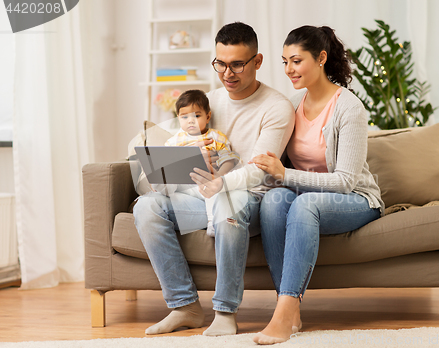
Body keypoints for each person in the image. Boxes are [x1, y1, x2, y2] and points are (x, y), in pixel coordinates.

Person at [133, 22, 295, 336]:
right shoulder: (208, 101)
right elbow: (175, 143)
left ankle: (225, 311)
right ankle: (184, 306)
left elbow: (260, 169)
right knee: (146, 206)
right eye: (220, 64)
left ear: (257, 61)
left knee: (226, 200)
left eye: (237, 64)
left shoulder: (277, 107)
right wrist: (166, 170)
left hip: (249, 198)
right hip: (203, 195)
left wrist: (221, 182)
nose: (227, 73)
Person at [249, 25, 385, 345]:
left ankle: (284, 312)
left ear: (321, 58)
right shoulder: (292, 104)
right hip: (305, 195)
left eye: (296, 61)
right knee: (273, 202)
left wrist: (285, 175)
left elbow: (345, 181)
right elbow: (277, 163)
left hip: (355, 198)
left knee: (303, 202)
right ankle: (290, 308)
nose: (288, 70)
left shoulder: (349, 108)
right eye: (284, 62)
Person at [152, 89, 240, 237]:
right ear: (178, 118)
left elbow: (229, 158)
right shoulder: (174, 141)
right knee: (163, 177)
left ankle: (213, 222)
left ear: (208, 116)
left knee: (214, 191)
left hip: (205, 181)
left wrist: (219, 175)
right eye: (184, 117)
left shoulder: (216, 137)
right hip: (183, 184)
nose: (190, 121)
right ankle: (158, 187)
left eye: (196, 115)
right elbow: (166, 163)